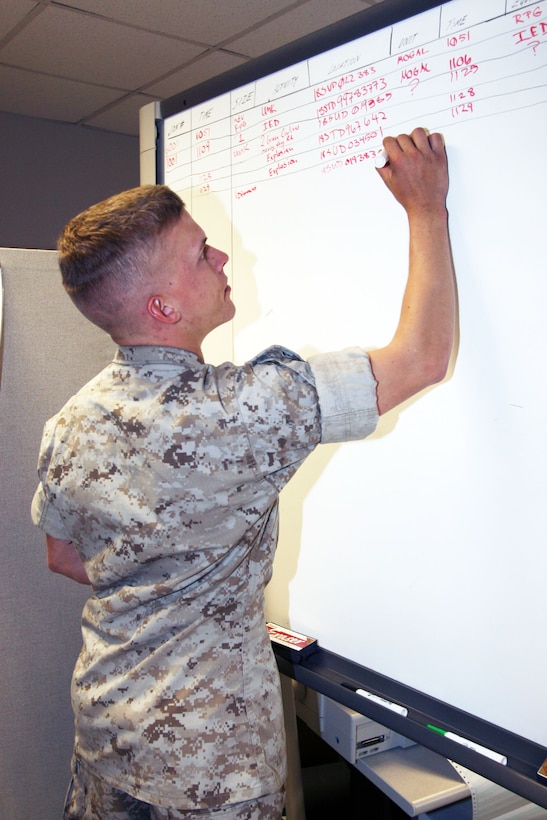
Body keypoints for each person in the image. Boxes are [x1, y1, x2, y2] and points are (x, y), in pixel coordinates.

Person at [31, 127, 456, 819]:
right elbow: (422, 358)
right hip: (210, 768)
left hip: (107, 732)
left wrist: (160, 573)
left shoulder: (70, 421)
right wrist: (426, 209)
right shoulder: (242, 411)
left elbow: (62, 555)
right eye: (202, 254)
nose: (224, 254)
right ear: (163, 308)